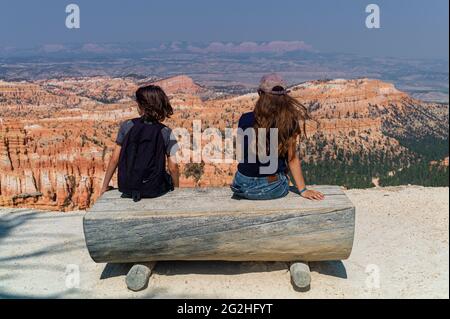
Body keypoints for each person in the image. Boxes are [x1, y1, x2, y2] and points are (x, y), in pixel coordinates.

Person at [231, 73, 324, 201]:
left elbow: (243, 154)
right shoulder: (289, 122)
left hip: (241, 185)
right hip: (271, 188)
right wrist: (303, 190)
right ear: (285, 96)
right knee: (283, 178)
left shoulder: (245, 119)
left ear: (260, 93)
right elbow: (291, 159)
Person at [100, 85, 179, 201]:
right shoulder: (166, 132)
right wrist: (177, 189)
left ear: (142, 106)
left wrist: (104, 186)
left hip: (127, 188)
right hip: (153, 189)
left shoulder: (127, 126)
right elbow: (173, 167)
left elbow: (114, 159)